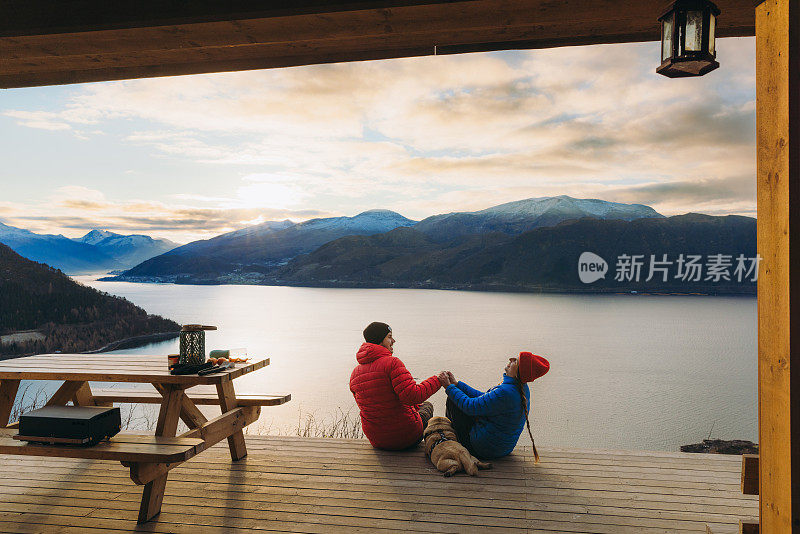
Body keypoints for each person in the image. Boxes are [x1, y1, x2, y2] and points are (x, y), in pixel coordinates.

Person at [439, 351, 549, 461]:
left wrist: (449, 387)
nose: (510, 359)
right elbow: (484, 398)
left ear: (519, 371)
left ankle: (453, 442)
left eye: (515, 360)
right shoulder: (521, 388)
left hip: (484, 449)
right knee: (457, 394)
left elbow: (470, 407)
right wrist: (457, 385)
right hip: (502, 448)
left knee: (453, 400)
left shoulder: (506, 392)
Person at [349, 322, 441, 450]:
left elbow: (375, 404)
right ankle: (429, 447)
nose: (393, 340)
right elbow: (413, 396)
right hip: (405, 437)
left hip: (376, 440)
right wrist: (438, 380)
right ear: (380, 340)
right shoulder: (392, 363)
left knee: (415, 407)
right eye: (389, 337)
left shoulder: (355, 373)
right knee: (427, 406)